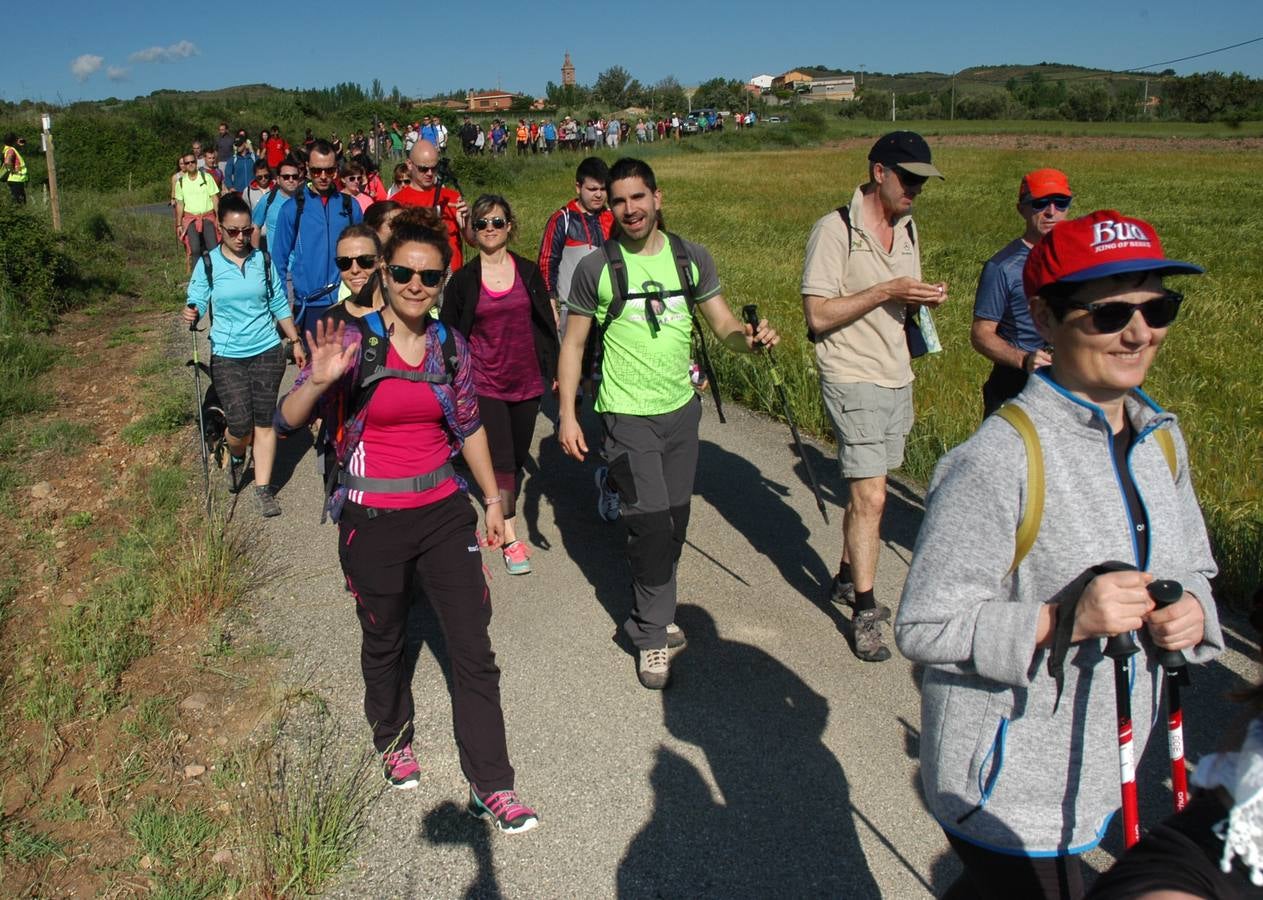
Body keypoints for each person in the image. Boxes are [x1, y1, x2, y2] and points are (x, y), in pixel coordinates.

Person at [895, 209, 1224, 900]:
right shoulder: (996, 459)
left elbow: (1194, 565)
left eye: (1157, 307)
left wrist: (1193, 610)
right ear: (1043, 319)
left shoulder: (1161, 438)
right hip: (1005, 783)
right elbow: (923, 625)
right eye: (1107, 314)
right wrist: (1057, 619)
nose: (1138, 332)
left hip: (1102, 764)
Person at [274, 214, 539, 832]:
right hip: (372, 517)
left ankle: (492, 784)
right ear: (383, 273)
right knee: (385, 638)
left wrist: (495, 504)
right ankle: (393, 738)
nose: (415, 285)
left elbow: (468, 424)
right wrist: (318, 382)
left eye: (429, 275)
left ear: (444, 279)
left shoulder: (450, 345)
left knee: (474, 647)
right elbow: (287, 419)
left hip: (444, 512)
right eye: (402, 272)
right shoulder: (350, 339)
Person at [557, 157, 779, 690]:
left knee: (675, 520)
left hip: (682, 412)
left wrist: (748, 342)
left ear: (658, 198)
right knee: (651, 520)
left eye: (638, 197)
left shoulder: (689, 258)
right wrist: (567, 413)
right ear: (608, 207)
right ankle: (652, 633)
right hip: (626, 415)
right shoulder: (597, 268)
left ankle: (653, 602)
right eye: (618, 201)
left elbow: (722, 322)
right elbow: (574, 343)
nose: (629, 209)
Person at [800, 130, 947, 663]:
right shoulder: (834, 229)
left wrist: (922, 298)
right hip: (850, 373)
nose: (916, 190)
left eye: (923, 183)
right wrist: (888, 289)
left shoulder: (908, 227)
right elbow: (817, 315)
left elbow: (902, 302)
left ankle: (844, 574)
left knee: (873, 490)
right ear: (878, 171)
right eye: (909, 179)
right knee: (873, 497)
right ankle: (864, 610)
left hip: (896, 373)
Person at [441, 195, 558, 575]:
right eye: (481, 223)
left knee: (518, 456)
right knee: (504, 457)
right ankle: (510, 536)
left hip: (526, 381)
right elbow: (449, 332)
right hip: (484, 382)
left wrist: (554, 367)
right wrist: (453, 380)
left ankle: (495, 494)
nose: (489, 229)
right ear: (471, 232)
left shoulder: (526, 272)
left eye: (496, 222)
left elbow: (545, 322)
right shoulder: (463, 281)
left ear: (509, 226)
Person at [183, 194, 305, 516]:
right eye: (232, 231)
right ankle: (237, 454)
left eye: (246, 230)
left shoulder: (262, 261)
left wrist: (294, 340)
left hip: (266, 350)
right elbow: (196, 298)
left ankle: (264, 489)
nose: (240, 237)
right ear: (219, 228)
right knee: (239, 425)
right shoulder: (208, 264)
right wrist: (192, 312)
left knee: (264, 422)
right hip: (227, 353)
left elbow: (279, 303)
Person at [536, 157, 618, 519]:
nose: (599, 195)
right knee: (573, 365)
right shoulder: (563, 219)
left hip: (611, 309)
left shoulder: (613, 216)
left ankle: (605, 425)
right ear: (578, 188)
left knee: (602, 369)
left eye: (603, 189)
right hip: (573, 307)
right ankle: (571, 414)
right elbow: (546, 261)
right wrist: (551, 302)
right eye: (592, 189)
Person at [972, 169, 1072, 417]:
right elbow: (981, 334)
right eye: (1040, 204)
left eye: (1061, 203)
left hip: (1069, 385)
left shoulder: (1079, 259)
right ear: (1022, 209)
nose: (1052, 212)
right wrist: (1024, 360)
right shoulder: (1002, 267)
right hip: (1015, 387)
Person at [270, 141, 364, 341]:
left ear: (336, 171)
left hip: (346, 301)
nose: (323, 177)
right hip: (309, 305)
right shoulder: (292, 208)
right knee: (315, 370)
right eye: (316, 171)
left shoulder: (350, 206)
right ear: (307, 169)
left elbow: (364, 254)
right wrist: (283, 311)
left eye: (329, 171)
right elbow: (278, 261)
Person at [393, 139, 469, 272]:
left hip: (453, 278)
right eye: (423, 169)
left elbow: (472, 241)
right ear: (409, 164)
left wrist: (467, 222)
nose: (429, 173)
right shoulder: (396, 202)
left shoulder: (451, 197)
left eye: (434, 168)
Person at [174, 151, 221, 274]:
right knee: (194, 250)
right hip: (191, 219)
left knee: (213, 248)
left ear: (196, 162)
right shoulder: (181, 182)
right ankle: (197, 278)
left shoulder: (206, 177)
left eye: (192, 162)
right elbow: (180, 204)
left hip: (208, 217)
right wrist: (179, 224)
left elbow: (215, 198)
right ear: (183, 165)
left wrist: (219, 218)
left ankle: (217, 274)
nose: (190, 164)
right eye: (187, 162)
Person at [251, 156, 301, 253]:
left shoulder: (306, 200)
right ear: (278, 179)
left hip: (301, 263)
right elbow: (256, 227)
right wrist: (256, 258)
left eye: (295, 177)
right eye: (286, 177)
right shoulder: (268, 199)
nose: (291, 180)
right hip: (276, 263)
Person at [1, 133, 28, 205]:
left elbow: (23, 143)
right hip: (16, 179)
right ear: (13, 141)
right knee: (19, 204)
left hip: (14, 180)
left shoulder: (7, 149)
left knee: (19, 202)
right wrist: (12, 170)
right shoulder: (11, 150)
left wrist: (20, 141)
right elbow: (7, 162)